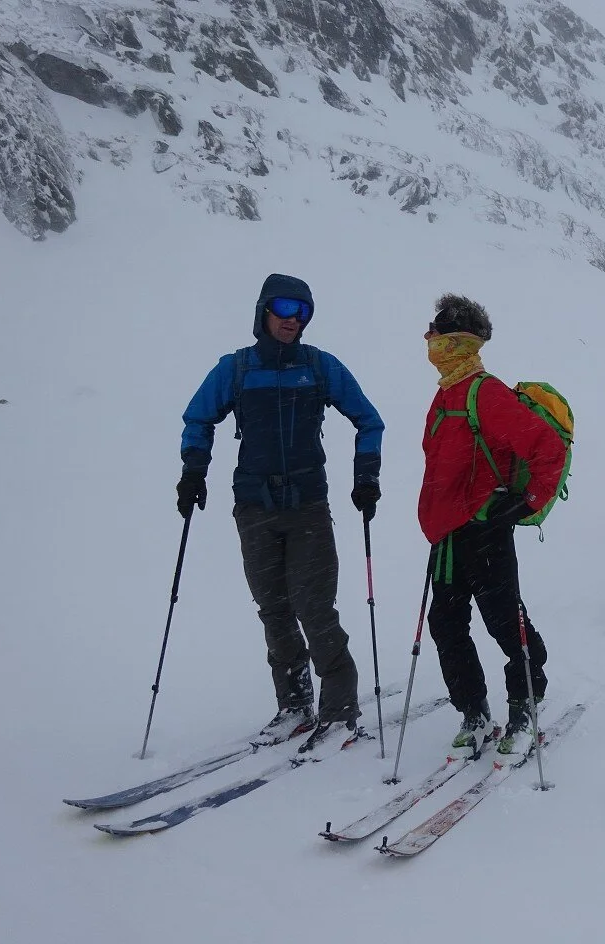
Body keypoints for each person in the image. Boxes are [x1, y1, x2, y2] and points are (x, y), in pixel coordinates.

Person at [178, 273, 385, 751]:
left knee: (315, 610)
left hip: (308, 506)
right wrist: (193, 471)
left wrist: (366, 477)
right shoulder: (236, 369)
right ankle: (294, 706)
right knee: (273, 610)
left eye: (303, 312)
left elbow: (368, 420)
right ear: (263, 312)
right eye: (285, 309)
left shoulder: (318, 366)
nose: (294, 321)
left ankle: (339, 713)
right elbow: (198, 417)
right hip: (253, 507)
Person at [418, 294, 568, 755]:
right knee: (446, 624)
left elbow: (547, 447)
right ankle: (475, 714)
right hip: (445, 533)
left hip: (484, 526)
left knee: (504, 622)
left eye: (446, 335)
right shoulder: (445, 393)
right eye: (436, 333)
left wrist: (528, 502)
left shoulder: (486, 392)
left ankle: (524, 708)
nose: (436, 342)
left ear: (465, 342)